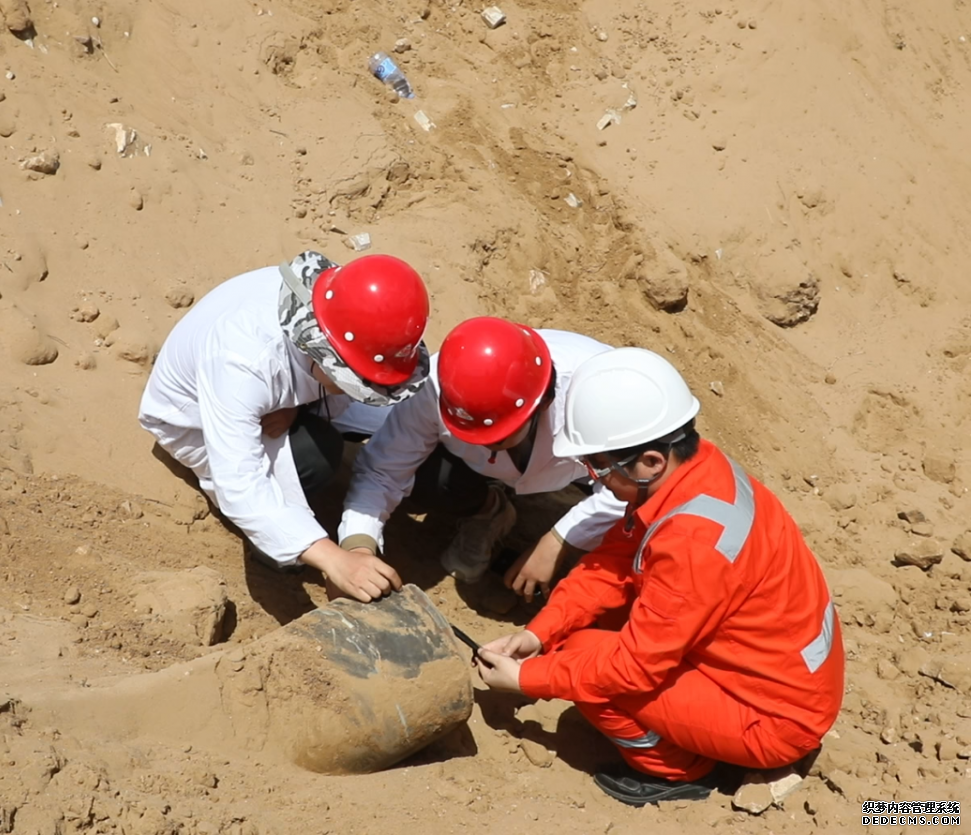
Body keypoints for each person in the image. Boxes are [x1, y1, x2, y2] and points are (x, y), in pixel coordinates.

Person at [474, 347, 844, 807]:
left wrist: (528, 678)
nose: (595, 477)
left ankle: (679, 771)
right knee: (581, 638)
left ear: (649, 460)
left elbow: (630, 670)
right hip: (780, 675)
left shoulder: (692, 541)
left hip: (775, 717)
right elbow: (611, 562)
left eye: (599, 466)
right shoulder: (696, 472)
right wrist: (539, 633)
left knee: (586, 662)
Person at [138, 250, 432, 603]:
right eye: (358, 382)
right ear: (325, 353)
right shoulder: (242, 363)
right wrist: (333, 559)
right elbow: (241, 483)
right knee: (316, 455)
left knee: (375, 424)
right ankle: (275, 552)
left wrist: (294, 406)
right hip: (192, 419)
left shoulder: (344, 308)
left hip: (270, 396)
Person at [339, 317, 626, 598]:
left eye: (498, 437)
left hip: (587, 469)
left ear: (544, 402)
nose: (487, 447)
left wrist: (559, 539)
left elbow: (643, 484)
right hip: (477, 467)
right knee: (429, 477)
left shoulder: (601, 393)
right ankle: (490, 511)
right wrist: (358, 546)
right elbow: (384, 469)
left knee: (628, 535)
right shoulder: (437, 386)